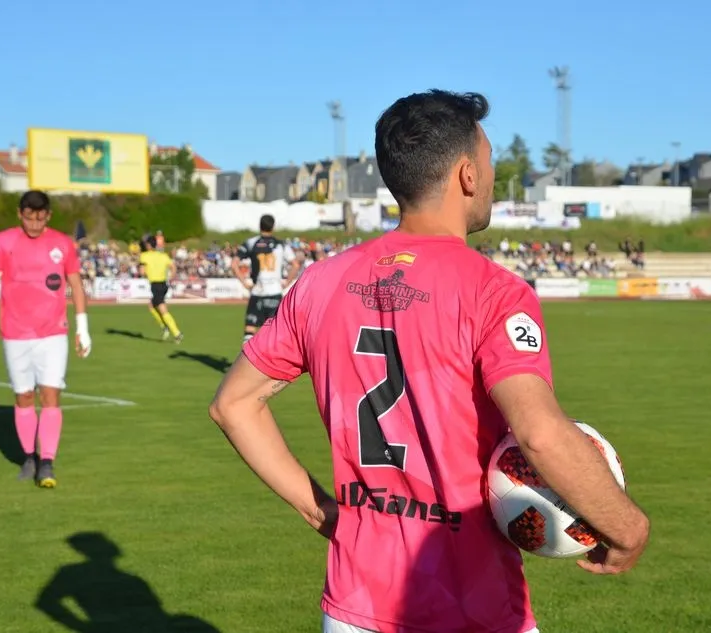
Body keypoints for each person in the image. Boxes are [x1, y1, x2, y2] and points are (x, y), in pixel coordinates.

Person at [209, 90, 650, 633]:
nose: (491, 178)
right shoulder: (493, 291)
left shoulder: (320, 283)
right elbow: (540, 435)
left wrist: (317, 509)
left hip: (354, 607)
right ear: (467, 174)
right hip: (472, 607)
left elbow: (233, 405)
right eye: (489, 162)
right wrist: (628, 527)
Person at [0, 190, 92, 488]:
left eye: (40, 219)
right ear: (20, 214)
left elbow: (76, 284)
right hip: (15, 333)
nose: (35, 225)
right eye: (29, 218)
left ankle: (48, 463)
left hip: (53, 333)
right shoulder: (3, 242)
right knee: (24, 396)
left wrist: (82, 327)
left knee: (51, 395)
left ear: (48, 216)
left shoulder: (62, 244)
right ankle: (29, 457)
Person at [230, 214, 301, 343]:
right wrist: (287, 282)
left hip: (258, 291)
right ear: (273, 227)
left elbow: (234, 264)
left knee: (249, 331)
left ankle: (246, 356)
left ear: (260, 226)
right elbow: (296, 265)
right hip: (275, 292)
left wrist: (244, 283)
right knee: (275, 334)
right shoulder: (281, 244)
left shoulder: (251, 243)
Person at [139, 235, 183, 343]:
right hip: (163, 284)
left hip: (155, 284)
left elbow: (142, 272)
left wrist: (146, 272)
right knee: (151, 305)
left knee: (162, 309)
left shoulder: (144, 256)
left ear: (148, 245)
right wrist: (171, 277)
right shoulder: (163, 255)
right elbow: (173, 267)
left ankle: (177, 333)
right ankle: (164, 326)